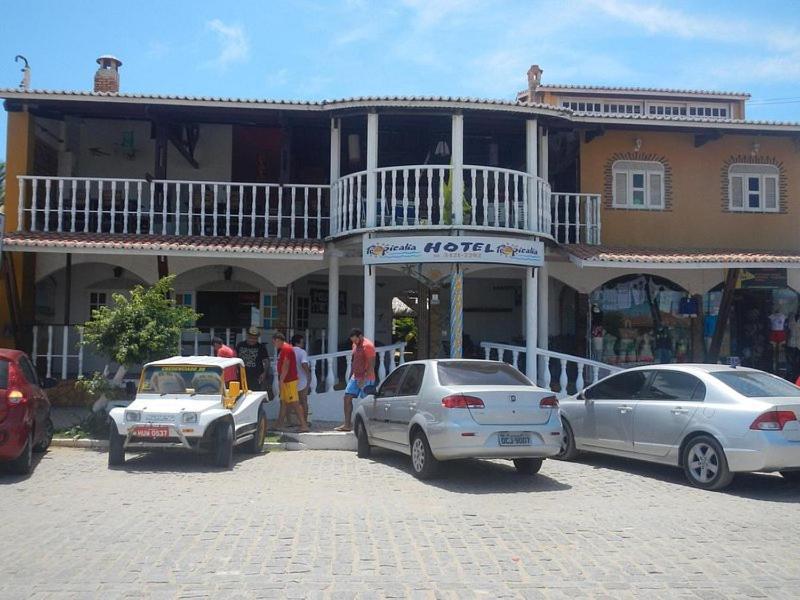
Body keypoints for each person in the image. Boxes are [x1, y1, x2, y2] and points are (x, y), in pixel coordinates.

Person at [335, 328, 376, 432]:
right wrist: (351, 375)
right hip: (355, 376)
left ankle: (368, 427)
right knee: (347, 398)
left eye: (356, 340)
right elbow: (355, 361)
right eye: (352, 341)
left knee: (366, 402)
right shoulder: (355, 345)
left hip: (367, 377)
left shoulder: (368, 346)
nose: (354, 342)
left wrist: (364, 378)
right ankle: (347, 424)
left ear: (360, 336)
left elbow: (372, 364)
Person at [272, 332, 309, 432]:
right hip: (286, 381)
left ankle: (304, 425)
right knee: (283, 402)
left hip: (289, 381)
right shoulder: (284, 349)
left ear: (278, 340)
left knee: (295, 403)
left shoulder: (287, 349)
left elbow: (286, 365)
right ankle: (279, 424)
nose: (273, 344)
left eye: (274, 342)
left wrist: (281, 380)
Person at [235, 327, 271, 393]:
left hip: (256, 377)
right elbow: (235, 358)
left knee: (254, 396)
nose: (252, 340)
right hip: (242, 376)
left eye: (255, 338)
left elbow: (266, 361)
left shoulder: (261, 347)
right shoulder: (240, 345)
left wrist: (264, 373)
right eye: (251, 338)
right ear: (247, 336)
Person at [292, 334, 312, 425]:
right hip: (302, 379)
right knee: (303, 401)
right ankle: (304, 421)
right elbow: (304, 363)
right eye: (302, 342)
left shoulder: (288, 351)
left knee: (293, 401)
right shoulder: (302, 352)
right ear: (298, 343)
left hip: (291, 380)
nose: (303, 344)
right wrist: (308, 375)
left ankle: (293, 421)